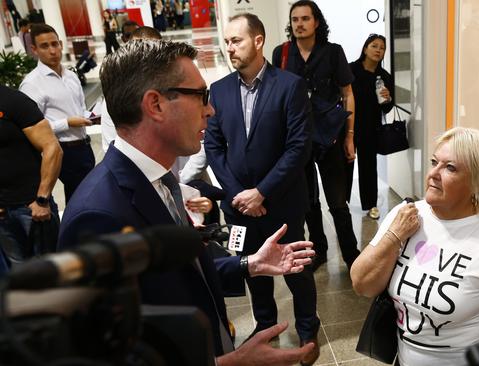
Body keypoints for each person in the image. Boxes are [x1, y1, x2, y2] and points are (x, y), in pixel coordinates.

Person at [58, 39, 316, 365]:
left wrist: (248, 264)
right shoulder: (98, 216)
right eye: (201, 96)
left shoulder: (161, 183)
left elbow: (179, 277)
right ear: (156, 105)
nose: (210, 109)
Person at [350, 127, 479, 366]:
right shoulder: (406, 215)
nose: (433, 173)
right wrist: (394, 235)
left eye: (450, 167)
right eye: (434, 162)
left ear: (477, 182)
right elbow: (362, 284)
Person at [204, 13, 319, 365]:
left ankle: (307, 327)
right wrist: (241, 194)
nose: (229, 48)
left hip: (282, 202)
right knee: (252, 269)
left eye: (236, 41)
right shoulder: (219, 90)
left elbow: (298, 147)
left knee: (296, 269)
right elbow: (214, 146)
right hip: (240, 206)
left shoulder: (289, 85)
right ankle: (265, 324)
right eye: (226, 42)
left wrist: (262, 192)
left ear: (258, 41)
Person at [272, 0, 359, 271]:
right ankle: (318, 250)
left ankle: (351, 255)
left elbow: (347, 94)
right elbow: (276, 97)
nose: (299, 24)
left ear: (316, 22)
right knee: (308, 202)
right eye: (295, 19)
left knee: (337, 203)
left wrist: (349, 137)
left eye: (305, 19)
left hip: (330, 137)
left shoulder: (333, 52)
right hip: (296, 139)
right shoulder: (282, 53)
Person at [20, 23, 95, 204]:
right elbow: (31, 128)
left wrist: (91, 116)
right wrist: (67, 122)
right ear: (34, 50)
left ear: (61, 44)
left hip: (84, 145)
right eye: (45, 46)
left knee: (90, 196)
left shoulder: (71, 75)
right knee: (80, 200)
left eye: (55, 44)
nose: (52, 50)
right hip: (63, 150)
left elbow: (79, 108)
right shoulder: (31, 84)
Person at [0, 85, 62, 270]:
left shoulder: (13, 101)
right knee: (17, 274)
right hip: (2, 214)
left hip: (31, 208)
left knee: (50, 270)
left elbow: (52, 148)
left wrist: (42, 200)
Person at [346, 34, 394, 220]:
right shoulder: (350, 70)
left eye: (382, 48)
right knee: (345, 165)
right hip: (348, 125)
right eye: (374, 46)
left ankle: (371, 204)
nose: (378, 50)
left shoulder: (384, 77)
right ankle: (341, 203)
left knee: (368, 167)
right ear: (365, 48)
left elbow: (387, 108)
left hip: (370, 128)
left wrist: (388, 98)